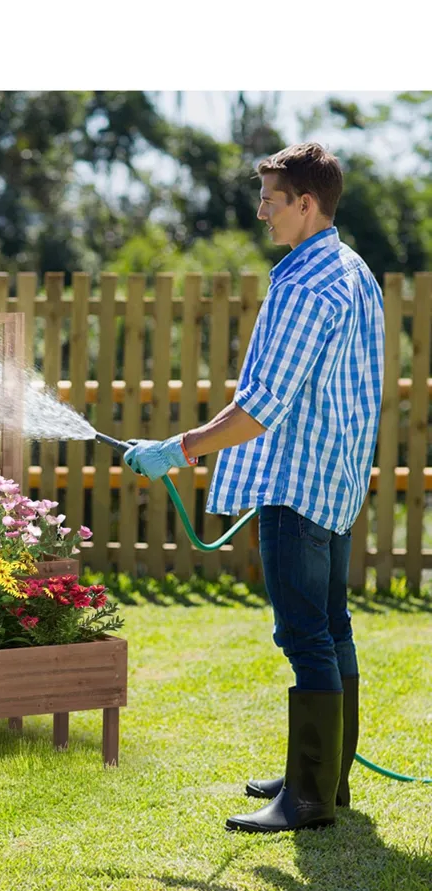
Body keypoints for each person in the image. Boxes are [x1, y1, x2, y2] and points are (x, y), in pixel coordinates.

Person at [124, 142, 385, 834]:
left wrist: (174, 451)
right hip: (335, 481)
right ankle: (326, 780)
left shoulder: (304, 284)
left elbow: (258, 408)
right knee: (331, 628)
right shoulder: (351, 269)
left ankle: (305, 802)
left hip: (297, 485)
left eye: (271, 198)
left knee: (303, 636)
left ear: (307, 202)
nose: (260, 211)